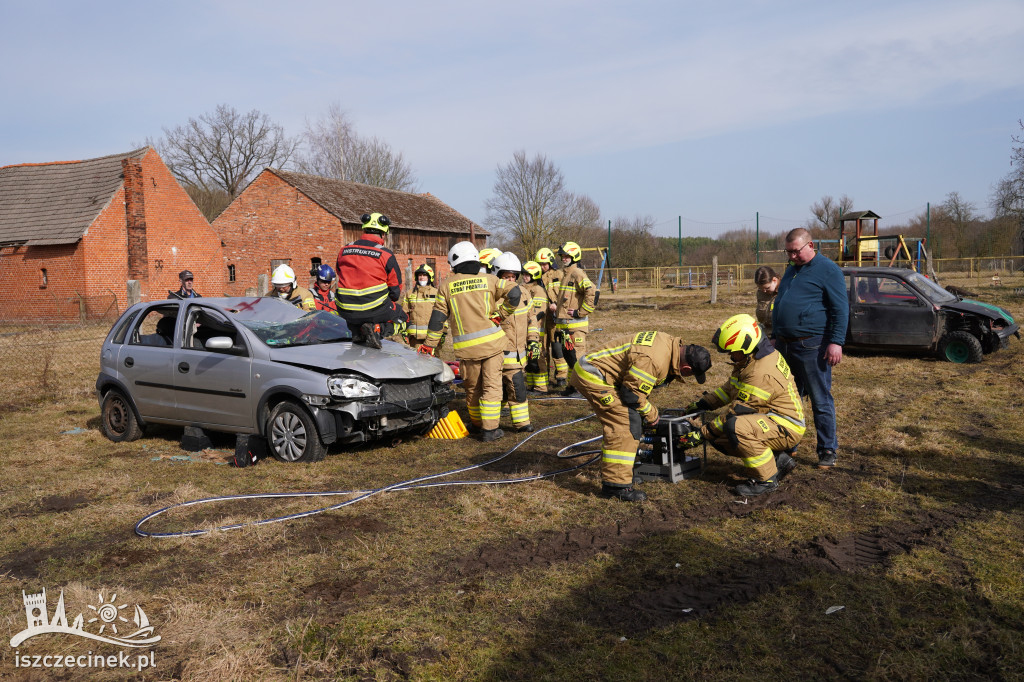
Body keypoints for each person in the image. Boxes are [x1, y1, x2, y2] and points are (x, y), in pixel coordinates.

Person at [569, 330, 712, 501]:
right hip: (593, 376)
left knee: (632, 419)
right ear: (686, 368)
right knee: (624, 426)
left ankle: (624, 473)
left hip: (604, 374)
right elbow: (631, 395)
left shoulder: (669, 344)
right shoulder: (654, 360)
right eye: (691, 375)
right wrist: (652, 415)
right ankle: (615, 487)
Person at [685, 314, 804, 496]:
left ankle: (767, 480)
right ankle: (778, 460)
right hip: (770, 418)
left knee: (735, 427)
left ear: (747, 344)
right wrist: (703, 403)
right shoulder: (750, 359)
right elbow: (730, 389)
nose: (730, 356)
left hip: (786, 425)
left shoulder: (761, 372)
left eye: (732, 351)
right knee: (720, 436)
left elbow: (737, 412)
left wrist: (702, 433)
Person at [419, 241, 522, 442]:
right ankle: (490, 430)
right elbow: (515, 293)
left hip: (468, 350)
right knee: (492, 387)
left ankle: (476, 425)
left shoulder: (446, 286)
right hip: (493, 345)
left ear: (454, 263)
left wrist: (429, 345)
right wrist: (502, 314)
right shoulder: (490, 280)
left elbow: (437, 319)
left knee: (473, 387)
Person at [771, 227, 848, 469]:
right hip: (785, 345)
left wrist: (836, 342)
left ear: (810, 246)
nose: (791, 257)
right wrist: (775, 335)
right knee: (788, 399)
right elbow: (781, 302)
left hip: (812, 345)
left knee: (820, 398)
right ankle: (788, 444)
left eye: (795, 252)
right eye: (788, 252)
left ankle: (827, 449)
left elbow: (840, 308)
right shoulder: (792, 269)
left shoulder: (828, 270)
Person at [336, 212, 407, 349]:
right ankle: (377, 330)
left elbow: (339, 272)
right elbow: (395, 291)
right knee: (403, 317)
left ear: (364, 230)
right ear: (383, 234)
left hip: (345, 309)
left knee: (357, 314)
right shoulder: (385, 255)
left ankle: (357, 331)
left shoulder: (344, 250)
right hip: (374, 308)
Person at [493, 252, 539, 432]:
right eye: (506, 277)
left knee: (514, 387)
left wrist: (534, 341)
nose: (510, 280)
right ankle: (521, 424)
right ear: (498, 276)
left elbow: (532, 319)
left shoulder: (524, 292)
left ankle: (518, 423)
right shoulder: (493, 296)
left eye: (513, 276)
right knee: (514, 387)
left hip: (520, 353)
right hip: (500, 352)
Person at [552, 241, 596, 374]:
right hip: (565, 327)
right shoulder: (566, 274)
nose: (564, 258)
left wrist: (580, 312)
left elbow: (591, 291)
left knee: (577, 358)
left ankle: (581, 389)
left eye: (567, 256)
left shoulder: (577, 273)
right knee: (570, 358)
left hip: (575, 327)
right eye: (563, 256)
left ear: (574, 257)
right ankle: (572, 386)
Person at [536, 247, 568, 387]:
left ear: (550, 262)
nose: (543, 267)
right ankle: (543, 378)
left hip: (556, 317)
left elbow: (566, 293)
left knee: (557, 347)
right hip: (542, 318)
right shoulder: (536, 277)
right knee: (542, 348)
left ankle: (561, 377)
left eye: (545, 264)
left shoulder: (559, 275)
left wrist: (557, 305)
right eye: (540, 264)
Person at [521, 260, 549, 393]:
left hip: (537, 330)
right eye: (524, 274)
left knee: (538, 358)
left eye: (528, 275)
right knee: (529, 357)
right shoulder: (524, 288)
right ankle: (531, 385)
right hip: (527, 329)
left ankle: (541, 387)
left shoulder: (538, 290)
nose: (525, 277)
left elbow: (538, 313)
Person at [403, 264, 445, 350]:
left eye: (424, 275)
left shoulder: (437, 293)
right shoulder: (409, 294)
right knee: (417, 362)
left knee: (433, 362)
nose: (422, 277)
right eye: (420, 275)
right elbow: (404, 313)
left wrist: (443, 332)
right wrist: (403, 331)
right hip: (415, 339)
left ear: (429, 277)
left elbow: (443, 313)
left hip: (433, 338)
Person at [753, 265, 779, 340]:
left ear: (774, 280)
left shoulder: (785, 291)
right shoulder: (761, 293)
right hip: (765, 336)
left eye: (767, 288)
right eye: (760, 288)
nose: (764, 291)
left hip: (780, 337)